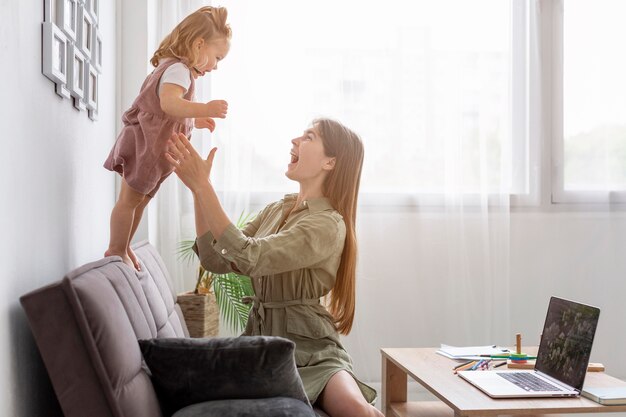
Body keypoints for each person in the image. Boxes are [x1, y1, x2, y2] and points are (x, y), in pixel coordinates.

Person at [165, 119, 384, 417]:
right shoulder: (276, 210)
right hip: (263, 348)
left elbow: (249, 255)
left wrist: (205, 188)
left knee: (357, 410)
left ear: (330, 161)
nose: (295, 140)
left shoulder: (328, 225)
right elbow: (215, 260)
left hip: (312, 354)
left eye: (309, 136)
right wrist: (197, 192)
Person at [103, 6, 231, 270]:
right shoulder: (179, 71)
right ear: (199, 44)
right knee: (129, 201)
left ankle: (124, 245)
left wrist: (195, 119)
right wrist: (205, 108)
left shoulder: (174, 69)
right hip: (147, 148)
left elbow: (170, 113)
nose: (216, 67)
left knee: (140, 200)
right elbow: (169, 105)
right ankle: (115, 249)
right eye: (217, 57)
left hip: (155, 151)